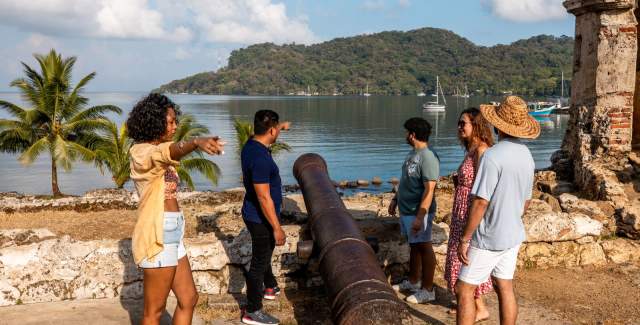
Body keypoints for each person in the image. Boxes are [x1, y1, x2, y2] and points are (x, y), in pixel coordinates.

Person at [127, 93, 225, 325]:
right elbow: (167, 152)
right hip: (158, 235)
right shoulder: (141, 152)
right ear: (153, 123)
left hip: (173, 233)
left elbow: (168, 151)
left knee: (189, 298)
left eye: (174, 120)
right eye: (170, 122)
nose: (175, 126)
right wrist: (195, 142)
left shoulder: (157, 147)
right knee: (154, 311)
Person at [456, 96, 540, 325]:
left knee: (463, 289)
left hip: (489, 237)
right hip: (513, 234)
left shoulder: (492, 157)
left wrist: (465, 238)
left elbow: (481, 202)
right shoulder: (526, 155)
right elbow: (526, 202)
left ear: (497, 124)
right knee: (504, 286)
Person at [240, 110, 291, 325]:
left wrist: (282, 126)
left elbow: (270, 131)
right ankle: (252, 311)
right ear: (271, 130)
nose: (278, 131)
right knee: (259, 263)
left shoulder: (251, 144)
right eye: (276, 129)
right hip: (260, 217)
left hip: (253, 213)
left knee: (265, 252)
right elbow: (263, 197)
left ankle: (270, 287)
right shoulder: (260, 158)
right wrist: (277, 227)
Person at [444, 108, 494, 322]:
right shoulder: (471, 149)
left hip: (468, 213)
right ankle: (474, 305)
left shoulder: (482, 150)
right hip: (460, 210)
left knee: (464, 258)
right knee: (461, 258)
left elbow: (484, 187)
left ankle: (477, 307)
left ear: (476, 125)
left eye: (463, 123)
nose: (459, 127)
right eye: (459, 122)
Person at [388, 117, 440, 304]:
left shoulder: (428, 157)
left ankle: (428, 289)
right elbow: (406, 181)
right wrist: (395, 199)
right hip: (407, 209)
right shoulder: (412, 154)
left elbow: (429, 189)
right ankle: (413, 280)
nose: (405, 135)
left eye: (407, 132)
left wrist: (420, 217)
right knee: (415, 245)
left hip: (418, 211)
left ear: (413, 134)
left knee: (424, 246)